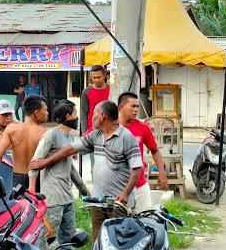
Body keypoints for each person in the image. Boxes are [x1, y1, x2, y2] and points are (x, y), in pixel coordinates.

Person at [29, 100, 142, 241]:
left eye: (94, 113)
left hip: (119, 202)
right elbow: (70, 149)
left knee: (118, 241)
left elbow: (137, 168)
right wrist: (45, 162)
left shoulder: (126, 137)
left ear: (102, 116)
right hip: (99, 200)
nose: (91, 117)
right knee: (99, 241)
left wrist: (126, 193)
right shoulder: (95, 135)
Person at [29, 100, 89, 250]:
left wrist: (83, 189)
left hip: (67, 195)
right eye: (75, 113)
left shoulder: (70, 138)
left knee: (68, 235)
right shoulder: (51, 136)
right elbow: (35, 162)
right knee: (44, 235)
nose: (77, 117)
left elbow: (70, 167)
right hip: (53, 195)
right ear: (67, 116)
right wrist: (32, 189)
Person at [118, 92, 169, 212]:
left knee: (145, 220)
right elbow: (87, 139)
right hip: (118, 185)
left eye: (137, 107)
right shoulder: (112, 127)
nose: (136, 110)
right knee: (120, 224)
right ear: (121, 107)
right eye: (132, 106)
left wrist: (161, 172)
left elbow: (155, 150)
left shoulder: (142, 127)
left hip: (140, 185)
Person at [0, 95, 49, 188]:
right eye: (45, 110)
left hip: (17, 179)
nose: (47, 113)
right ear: (36, 113)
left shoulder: (11, 129)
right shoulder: (46, 133)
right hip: (38, 180)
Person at [80, 65, 110, 173]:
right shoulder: (86, 92)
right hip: (93, 132)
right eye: (94, 78)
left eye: (99, 77)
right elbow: (83, 113)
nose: (96, 80)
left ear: (105, 76)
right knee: (95, 164)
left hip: (110, 132)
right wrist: (84, 133)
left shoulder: (111, 90)